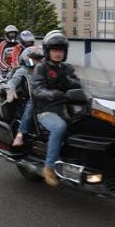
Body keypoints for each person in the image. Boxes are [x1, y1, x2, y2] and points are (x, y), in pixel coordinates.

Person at [31, 30, 81, 187]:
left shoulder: (67, 68)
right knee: (59, 127)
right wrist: (53, 94)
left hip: (65, 108)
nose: (58, 53)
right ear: (47, 52)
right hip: (46, 110)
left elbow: (78, 83)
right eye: (55, 50)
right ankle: (49, 167)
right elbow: (37, 89)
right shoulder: (41, 68)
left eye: (61, 50)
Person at [6, 46, 43, 147]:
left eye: (39, 59)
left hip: (46, 97)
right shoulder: (23, 70)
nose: (37, 61)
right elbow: (13, 81)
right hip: (32, 98)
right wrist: (11, 89)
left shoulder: (43, 70)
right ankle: (20, 134)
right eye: (34, 59)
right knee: (32, 103)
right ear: (26, 58)